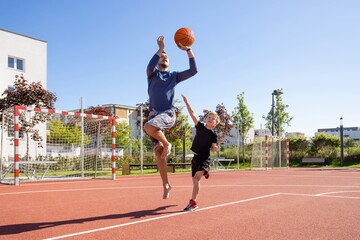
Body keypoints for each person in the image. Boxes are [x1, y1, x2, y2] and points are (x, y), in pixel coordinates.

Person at [144, 35, 198, 199]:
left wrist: (188, 50)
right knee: (159, 153)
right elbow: (149, 65)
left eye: (166, 56)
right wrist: (160, 48)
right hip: (154, 115)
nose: (164, 57)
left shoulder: (173, 76)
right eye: (162, 56)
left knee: (148, 127)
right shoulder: (152, 75)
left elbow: (193, 71)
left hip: (167, 114)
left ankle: (167, 144)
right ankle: (166, 184)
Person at [181, 94, 219, 211]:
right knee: (194, 180)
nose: (210, 119)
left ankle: (193, 203)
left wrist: (215, 148)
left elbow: (213, 147)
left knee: (196, 179)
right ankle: (205, 172)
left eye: (213, 118)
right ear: (205, 119)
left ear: (215, 123)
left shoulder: (213, 135)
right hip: (196, 158)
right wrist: (186, 102)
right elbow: (192, 113)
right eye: (209, 117)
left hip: (204, 159)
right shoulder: (200, 126)